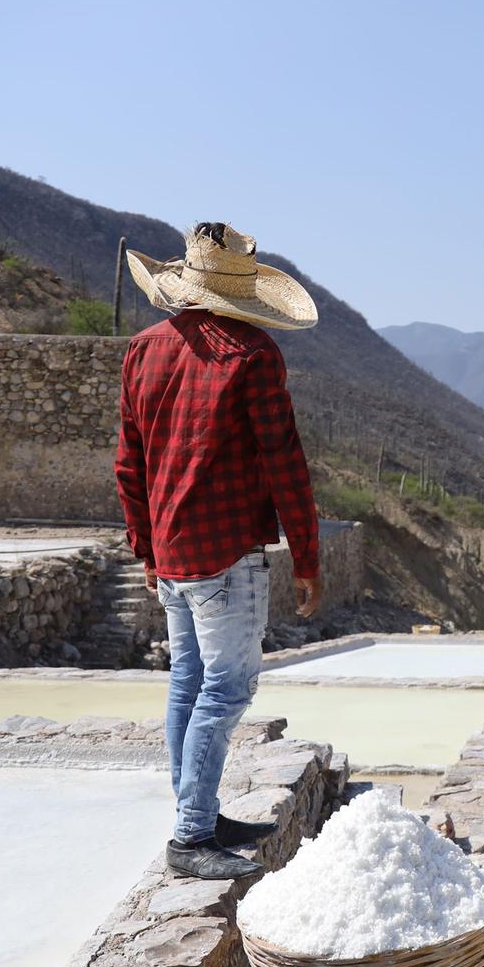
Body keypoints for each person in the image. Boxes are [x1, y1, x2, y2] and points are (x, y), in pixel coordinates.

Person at [116, 223, 323, 881]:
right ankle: (191, 834)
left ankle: (196, 809)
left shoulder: (143, 351)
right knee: (226, 687)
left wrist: (145, 548)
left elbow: (129, 463)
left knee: (187, 680)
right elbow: (284, 460)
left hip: (173, 552)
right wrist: (308, 557)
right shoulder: (252, 355)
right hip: (226, 552)